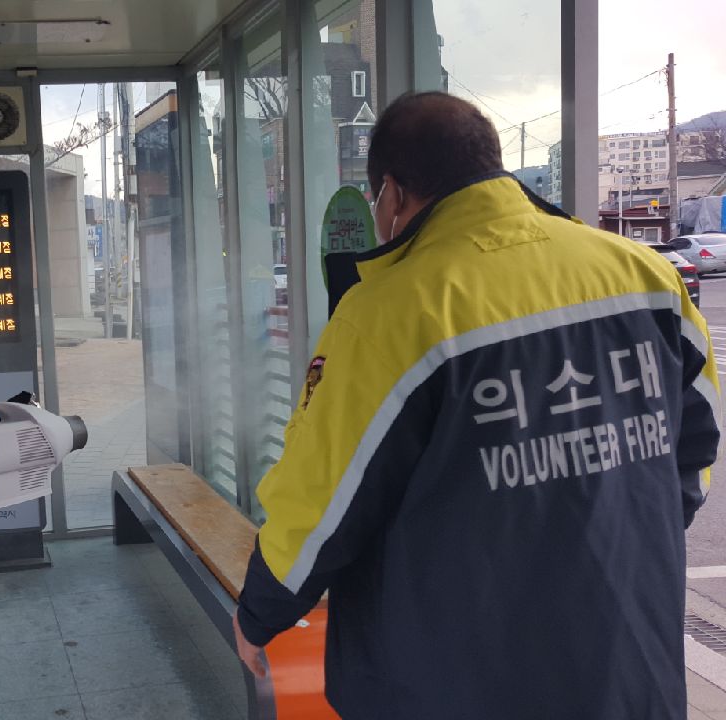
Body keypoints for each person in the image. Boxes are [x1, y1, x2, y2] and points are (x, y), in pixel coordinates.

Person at [233, 92, 721, 718]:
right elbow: (694, 448)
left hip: (461, 681)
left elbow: (320, 500)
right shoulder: (644, 275)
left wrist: (259, 612)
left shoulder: (391, 313)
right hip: (629, 668)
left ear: (391, 195)